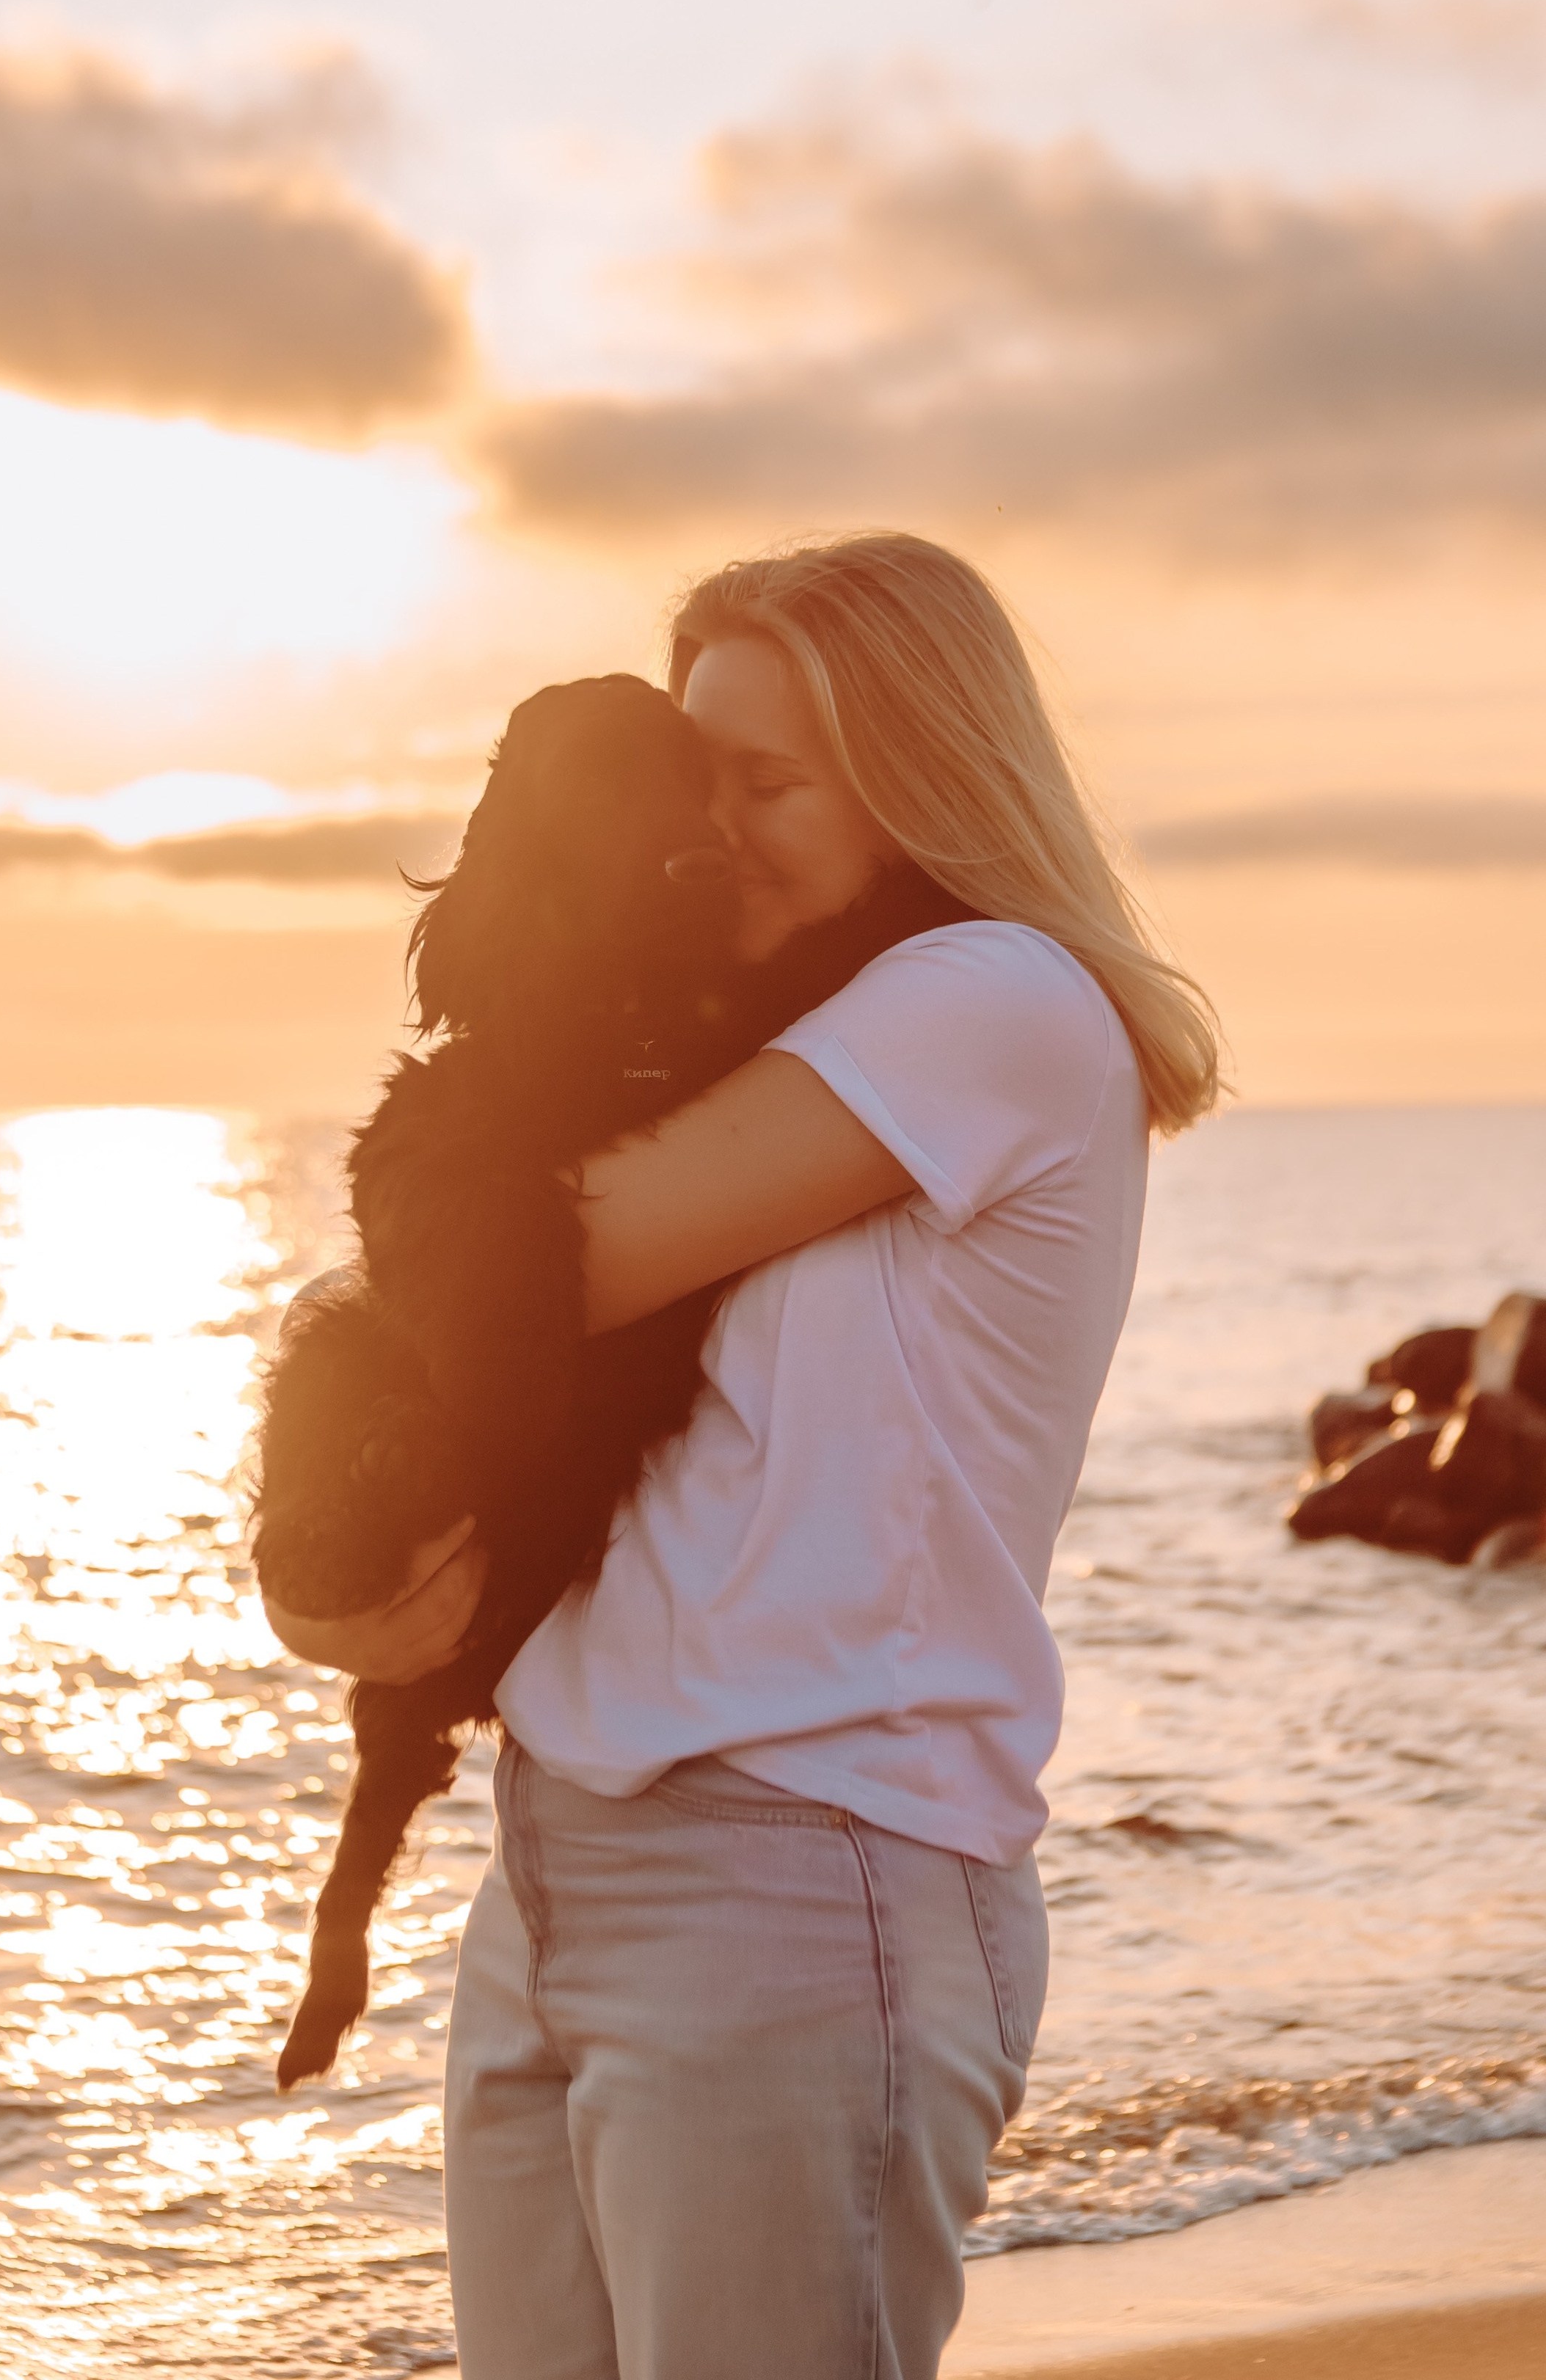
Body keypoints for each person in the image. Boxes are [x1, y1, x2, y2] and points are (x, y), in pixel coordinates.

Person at [266, 532, 1220, 2379]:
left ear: (921, 780)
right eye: (690, 778)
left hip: (802, 1873)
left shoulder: (992, 1003)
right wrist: (328, 1561)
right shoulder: (741, 1045)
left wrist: (340, 1420)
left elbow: (516, 1268)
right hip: (559, 1858)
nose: (704, 831)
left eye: (766, 783)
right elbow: (470, 1314)